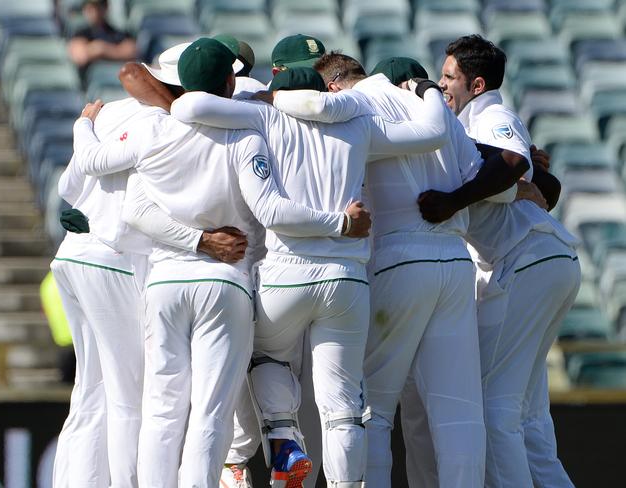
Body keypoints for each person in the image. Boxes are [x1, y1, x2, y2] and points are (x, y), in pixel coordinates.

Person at [71, 37, 371, 488]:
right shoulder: (245, 133)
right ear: (233, 79)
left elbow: (111, 182)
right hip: (227, 282)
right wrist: (211, 242)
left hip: (165, 281)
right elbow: (267, 207)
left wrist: (83, 122)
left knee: (161, 409)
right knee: (211, 413)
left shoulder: (155, 128)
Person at [169, 62, 466, 488]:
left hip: (288, 272)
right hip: (347, 280)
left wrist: (273, 100)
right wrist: (427, 90)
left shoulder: (268, 115)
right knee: (344, 407)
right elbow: (433, 131)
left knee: (265, 355)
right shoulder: (359, 122)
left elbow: (188, 107)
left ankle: (284, 440)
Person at [269, 52, 530, 488]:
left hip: (398, 257)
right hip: (453, 261)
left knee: (371, 409)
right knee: (460, 412)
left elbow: (308, 113)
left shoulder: (356, 104)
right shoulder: (439, 114)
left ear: (333, 86)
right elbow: (500, 193)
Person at [51, 42, 249, 488]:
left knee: (91, 391)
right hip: (118, 259)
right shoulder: (168, 124)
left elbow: (69, 185)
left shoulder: (114, 112)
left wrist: (85, 122)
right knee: (129, 397)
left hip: (73, 254)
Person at [422, 34, 580, 487]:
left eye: (449, 77)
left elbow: (512, 164)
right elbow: (536, 181)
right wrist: (529, 177)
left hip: (527, 259)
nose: (440, 85)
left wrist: (453, 201)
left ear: (477, 84)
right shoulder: (476, 120)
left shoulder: (491, 115)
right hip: (544, 258)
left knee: (494, 409)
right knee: (528, 416)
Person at [68, 0, 137, 75]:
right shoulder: (80, 33)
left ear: (106, 7)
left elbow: (131, 52)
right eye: (90, 8)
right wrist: (113, 50)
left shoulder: (118, 33)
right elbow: (80, 56)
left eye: (98, 7)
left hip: (117, 79)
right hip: (90, 82)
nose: (94, 12)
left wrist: (101, 49)